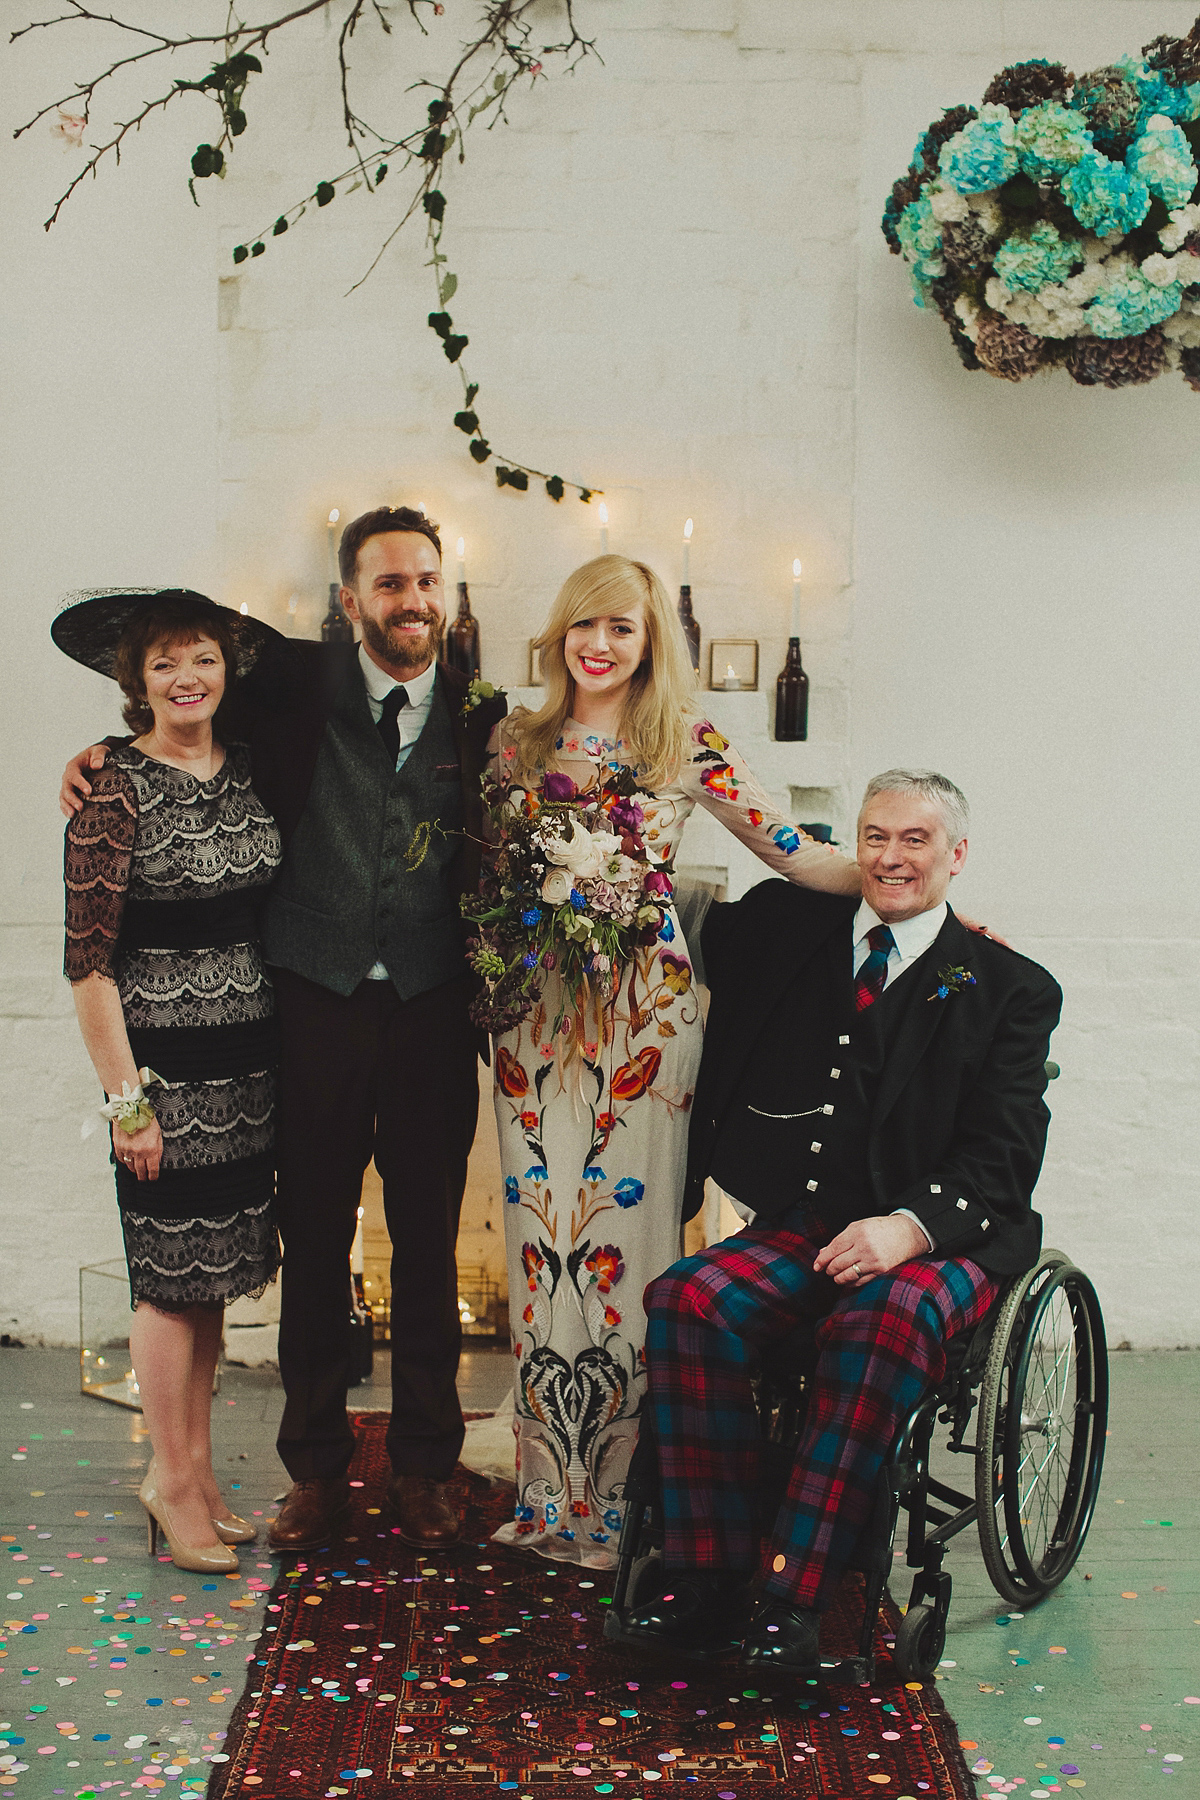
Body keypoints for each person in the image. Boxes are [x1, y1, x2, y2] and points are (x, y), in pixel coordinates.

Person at [59, 508, 507, 1554]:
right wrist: (93, 760)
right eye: (389, 584)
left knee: (431, 1245)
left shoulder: (482, 714)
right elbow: (174, 708)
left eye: (427, 581)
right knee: (313, 1242)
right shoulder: (292, 685)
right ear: (349, 599)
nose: (412, 601)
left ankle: (427, 1465)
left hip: (434, 1011)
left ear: (444, 591)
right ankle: (315, 1471)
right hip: (309, 1004)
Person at [611, 769, 1062, 1671]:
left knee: (878, 1322)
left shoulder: (1007, 988)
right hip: (812, 1220)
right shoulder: (792, 927)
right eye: (876, 837)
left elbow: (1005, 1162)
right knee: (688, 1300)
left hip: (946, 1237)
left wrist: (907, 1228)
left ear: (957, 856)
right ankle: (707, 1575)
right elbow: (663, 901)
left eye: (917, 841)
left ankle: (791, 1597)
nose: (892, 858)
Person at [483, 554, 861, 1565]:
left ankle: (620, 1495)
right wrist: (545, 903)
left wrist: (899, 878)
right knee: (537, 1238)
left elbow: (791, 849)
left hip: (642, 1012)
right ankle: (546, 1490)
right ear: (559, 637)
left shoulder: (684, 742)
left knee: (627, 1234)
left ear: (651, 643)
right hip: (533, 1013)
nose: (600, 647)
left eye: (622, 630)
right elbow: (487, 874)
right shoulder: (516, 743)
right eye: (584, 628)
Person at [56, 588, 285, 1573]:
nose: (186, 679)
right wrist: (127, 1103)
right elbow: (88, 965)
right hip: (162, 1070)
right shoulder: (112, 789)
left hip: (249, 1068)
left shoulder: (250, 771)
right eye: (164, 665)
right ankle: (169, 1476)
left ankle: (193, 1474)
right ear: (134, 682)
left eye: (202, 659)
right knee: (165, 1277)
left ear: (226, 668)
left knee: (214, 1279)